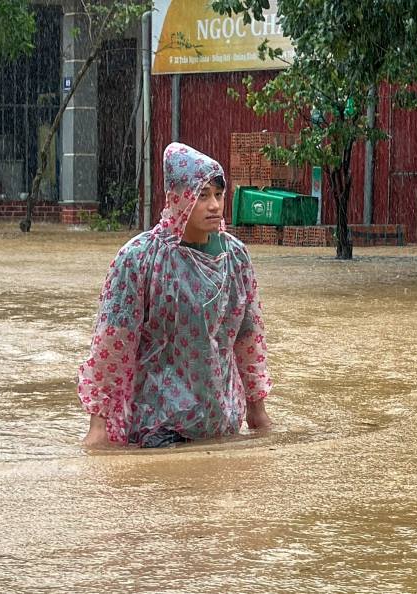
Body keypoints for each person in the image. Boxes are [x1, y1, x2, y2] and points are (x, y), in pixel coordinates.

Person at [78, 142, 273, 447]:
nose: (214, 206)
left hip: (221, 417)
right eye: (202, 195)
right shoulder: (140, 258)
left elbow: (248, 336)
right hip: (160, 422)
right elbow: (113, 343)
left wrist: (256, 408)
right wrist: (98, 423)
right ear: (175, 198)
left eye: (218, 195)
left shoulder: (235, 256)